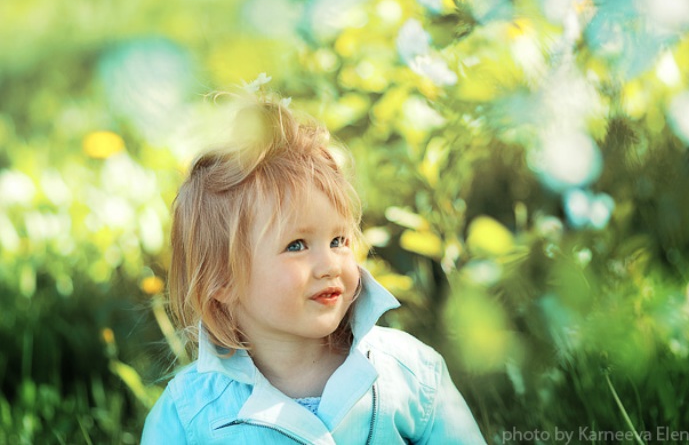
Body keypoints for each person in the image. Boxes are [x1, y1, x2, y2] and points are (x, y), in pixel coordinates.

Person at [142, 92, 485, 444]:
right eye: (296, 245)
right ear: (223, 280)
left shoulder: (409, 371)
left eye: (339, 240)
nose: (329, 265)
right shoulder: (188, 416)